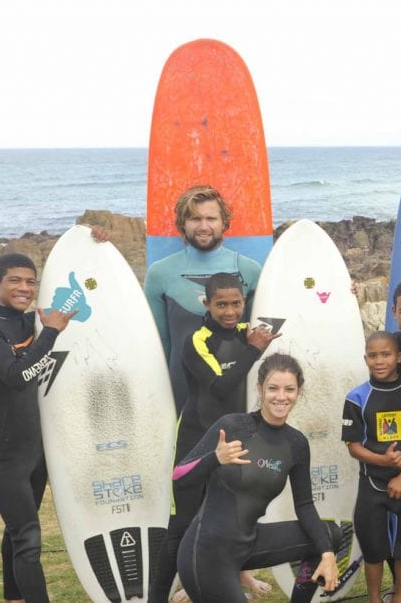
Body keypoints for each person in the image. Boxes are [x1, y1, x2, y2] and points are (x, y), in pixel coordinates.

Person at [149, 273, 280, 602]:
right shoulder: (197, 339)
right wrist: (253, 350)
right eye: (221, 304)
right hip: (198, 440)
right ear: (206, 304)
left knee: (231, 517)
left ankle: (230, 583)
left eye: (236, 303)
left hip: (235, 438)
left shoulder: (246, 332)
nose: (230, 311)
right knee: (181, 524)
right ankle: (156, 598)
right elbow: (220, 386)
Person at [172, 353, 343, 603]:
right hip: (206, 553)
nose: (281, 397)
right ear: (260, 388)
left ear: (299, 392)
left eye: (289, 389)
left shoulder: (296, 444)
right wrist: (214, 459)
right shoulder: (232, 426)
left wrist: (327, 554)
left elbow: (305, 506)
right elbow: (179, 477)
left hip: (248, 544)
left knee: (330, 535)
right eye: (273, 388)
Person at [0, 253, 78, 603]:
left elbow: (86, 301)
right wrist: (51, 332)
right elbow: (16, 376)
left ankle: (14, 598)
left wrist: (91, 245)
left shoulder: (30, 323)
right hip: (2, 453)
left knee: (17, 532)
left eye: (30, 281)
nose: (24, 288)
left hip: (34, 449)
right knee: (28, 538)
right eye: (14, 280)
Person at [144, 185, 262, 412]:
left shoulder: (249, 270)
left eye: (211, 218)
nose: (204, 226)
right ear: (183, 224)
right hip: (181, 397)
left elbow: (258, 337)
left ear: (223, 223)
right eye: (195, 219)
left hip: (237, 395)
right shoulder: (160, 273)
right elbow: (157, 344)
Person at [342, 332, 401, 603]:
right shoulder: (356, 397)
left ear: (399, 357)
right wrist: (383, 461)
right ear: (366, 358)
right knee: (374, 548)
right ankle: (375, 599)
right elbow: (353, 446)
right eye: (373, 355)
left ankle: (400, 597)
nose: (379, 361)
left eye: (386, 354)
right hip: (372, 483)